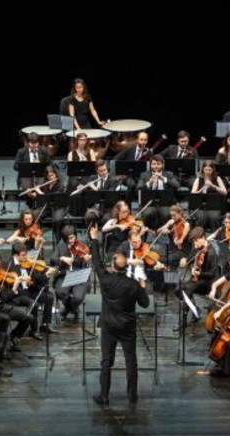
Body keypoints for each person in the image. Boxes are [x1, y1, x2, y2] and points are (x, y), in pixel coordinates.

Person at [88, 226, 150, 405]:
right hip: (127, 327)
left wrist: (94, 239)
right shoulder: (133, 285)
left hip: (108, 325)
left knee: (106, 361)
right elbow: (145, 303)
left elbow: (97, 261)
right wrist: (143, 287)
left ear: (113, 266)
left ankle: (104, 395)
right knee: (131, 361)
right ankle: (132, 395)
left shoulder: (106, 279)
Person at [176, 227, 220, 327]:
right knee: (178, 288)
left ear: (203, 238)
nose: (195, 244)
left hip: (209, 282)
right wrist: (185, 260)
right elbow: (190, 257)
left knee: (186, 290)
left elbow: (212, 273)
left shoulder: (212, 253)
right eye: (194, 241)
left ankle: (184, 318)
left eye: (196, 241)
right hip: (199, 279)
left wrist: (199, 273)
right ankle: (195, 309)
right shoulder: (198, 248)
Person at [50, 226, 92, 323]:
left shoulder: (80, 246)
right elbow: (53, 259)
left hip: (79, 275)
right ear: (64, 239)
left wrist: (86, 260)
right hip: (64, 274)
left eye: (73, 237)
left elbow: (84, 264)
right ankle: (74, 309)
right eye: (69, 238)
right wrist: (62, 258)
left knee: (78, 297)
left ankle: (66, 310)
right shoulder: (61, 245)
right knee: (60, 292)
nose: (72, 240)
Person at [136, 155, 180, 229]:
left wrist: (164, 179)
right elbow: (138, 188)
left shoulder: (169, 174)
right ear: (150, 165)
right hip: (149, 203)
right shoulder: (144, 175)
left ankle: (170, 238)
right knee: (147, 214)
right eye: (154, 164)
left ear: (162, 165)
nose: (156, 166)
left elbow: (177, 185)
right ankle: (144, 236)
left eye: (158, 164)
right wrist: (149, 182)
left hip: (165, 202)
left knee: (166, 214)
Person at [191, 160, 227, 229]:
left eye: (209, 170)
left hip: (214, 206)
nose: (207, 172)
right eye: (206, 170)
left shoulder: (217, 179)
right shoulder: (198, 179)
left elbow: (225, 192)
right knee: (200, 218)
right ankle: (199, 236)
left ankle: (214, 236)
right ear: (203, 169)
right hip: (201, 206)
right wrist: (201, 190)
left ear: (213, 169)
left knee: (214, 218)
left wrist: (212, 185)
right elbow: (193, 193)